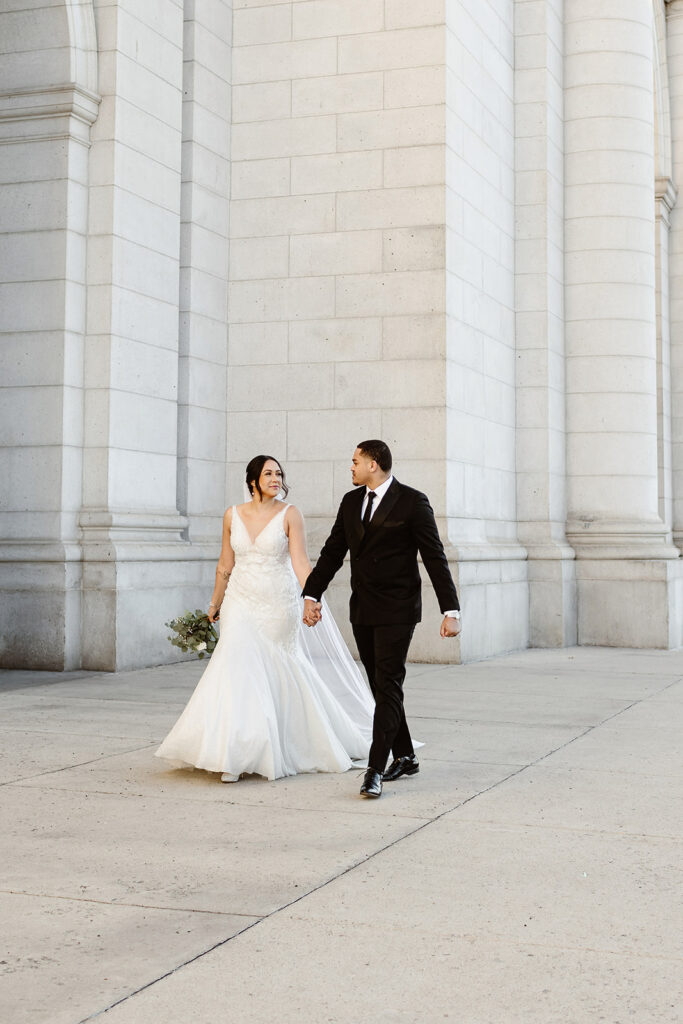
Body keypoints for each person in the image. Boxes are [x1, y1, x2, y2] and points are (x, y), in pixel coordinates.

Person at [156, 456, 374, 782]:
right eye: (268, 473)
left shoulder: (290, 514)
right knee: (236, 667)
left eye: (278, 473)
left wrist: (311, 597)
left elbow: (300, 562)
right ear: (253, 480)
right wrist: (214, 604)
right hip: (239, 602)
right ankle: (233, 754)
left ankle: (277, 746)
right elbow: (224, 564)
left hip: (278, 603)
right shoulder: (232, 514)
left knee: (275, 669)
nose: (275, 478)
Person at [303, 440, 461, 800]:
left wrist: (450, 610)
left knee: (388, 683)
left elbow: (434, 558)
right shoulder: (351, 501)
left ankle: (374, 769)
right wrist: (312, 594)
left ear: (373, 464)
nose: (351, 467)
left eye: (355, 461)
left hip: (398, 610)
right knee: (380, 686)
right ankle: (405, 755)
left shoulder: (412, 501)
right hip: (363, 608)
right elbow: (332, 552)